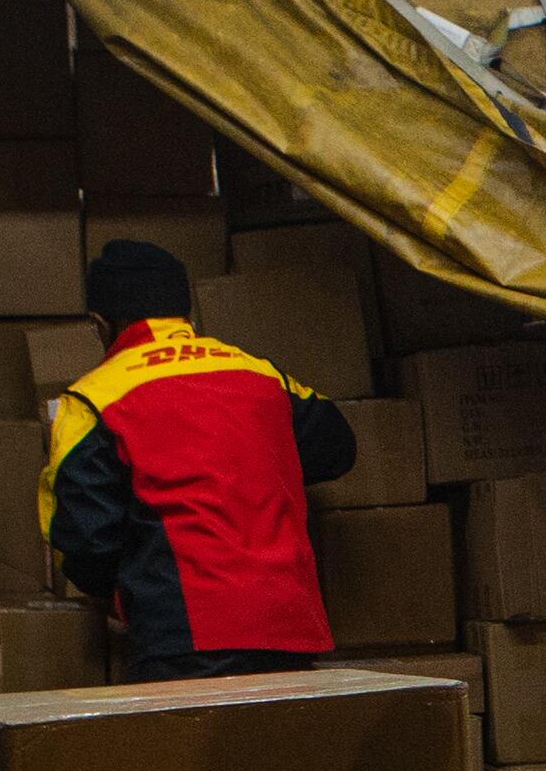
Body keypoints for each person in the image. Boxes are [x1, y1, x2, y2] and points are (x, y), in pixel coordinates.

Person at [44, 239, 359, 682]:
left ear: (100, 323)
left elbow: (85, 541)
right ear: (184, 314)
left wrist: (121, 596)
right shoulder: (260, 374)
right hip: (287, 629)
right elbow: (338, 448)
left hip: (180, 638)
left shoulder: (92, 399)